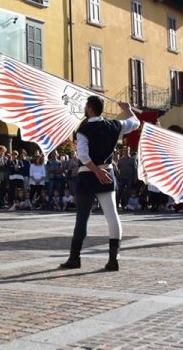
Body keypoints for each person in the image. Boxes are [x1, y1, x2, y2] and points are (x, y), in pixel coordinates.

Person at [60, 97, 140, 272]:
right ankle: (113, 259)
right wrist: (127, 109)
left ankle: (75, 258)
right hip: (107, 173)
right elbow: (135, 122)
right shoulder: (114, 125)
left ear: (89, 108)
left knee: (82, 218)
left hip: (88, 175)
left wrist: (96, 171)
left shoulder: (84, 129)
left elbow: (82, 155)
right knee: (112, 216)